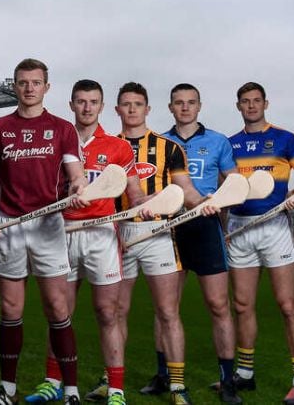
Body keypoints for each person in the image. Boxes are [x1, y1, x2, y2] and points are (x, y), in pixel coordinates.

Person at [0, 59, 88, 405]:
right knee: (10, 310)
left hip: (48, 225)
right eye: (23, 82)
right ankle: (7, 391)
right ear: (15, 86)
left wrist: (77, 188)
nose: (29, 88)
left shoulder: (63, 128)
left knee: (57, 307)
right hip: (8, 224)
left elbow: (76, 174)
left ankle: (70, 391)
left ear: (46, 87)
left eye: (36, 82)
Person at [29, 79, 150, 405]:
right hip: (61, 234)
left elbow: (134, 192)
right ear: (71, 105)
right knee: (59, 312)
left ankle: (116, 390)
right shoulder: (53, 143)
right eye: (80, 101)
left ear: (101, 106)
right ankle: (52, 381)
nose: (86, 107)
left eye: (93, 102)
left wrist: (145, 204)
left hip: (101, 236)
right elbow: (43, 192)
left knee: (107, 312)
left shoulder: (118, 147)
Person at [112, 82, 212, 405]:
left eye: (137, 104)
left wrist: (205, 202)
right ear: (117, 110)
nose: (131, 110)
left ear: (148, 109)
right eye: (126, 104)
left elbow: (186, 191)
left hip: (158, 235)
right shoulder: (109, 146)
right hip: (119, 234)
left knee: (168, 311)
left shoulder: (169, 148)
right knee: (115, 312)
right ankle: (111, 382)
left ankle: (178, 386)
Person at [226, 82, 294, 405]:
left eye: (256, 101)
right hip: (239, 227)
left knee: (288, 305)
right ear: (238, 106)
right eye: (245, 102)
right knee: (242, 305)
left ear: (266, 103)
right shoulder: (229, 145)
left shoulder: (286, 139)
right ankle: (245, 374)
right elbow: (226, 192)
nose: (251, 106)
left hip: (275, 226)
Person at [161, 83, 241, 404]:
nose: (184, 108)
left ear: (199, 106)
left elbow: (233, 185)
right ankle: (162, 375)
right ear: (170, 107)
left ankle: (227, 380)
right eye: (178, 103)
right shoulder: (161, 142)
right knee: (167, 308)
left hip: (205, 227)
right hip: (169, 228)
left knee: (219, 306)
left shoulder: (218, 141)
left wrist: (222, 217)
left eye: (190, 102)